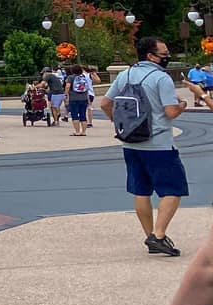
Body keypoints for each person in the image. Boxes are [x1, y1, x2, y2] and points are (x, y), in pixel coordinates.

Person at [98, 36, 188, 256]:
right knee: (173, 189)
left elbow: (104, 103)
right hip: (159, 143)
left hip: (131, 143)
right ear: (151, 56)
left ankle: (150, 234)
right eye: (164, 53)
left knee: (141, 190)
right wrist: (182, 104)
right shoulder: (161, 78)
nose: (167, 57)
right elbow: (170, 112)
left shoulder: (125, 74)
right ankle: (157, 235)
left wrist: (119, 124)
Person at [65, 64, 93, 137]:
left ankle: (77, 131)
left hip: (74, 98)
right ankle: (83, 132)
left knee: (74, 115)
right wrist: (88, 99)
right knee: (83, 115)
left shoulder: (70, 77)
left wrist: (66, 95)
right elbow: (86, 88)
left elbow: (68, 87)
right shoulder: (84, 77)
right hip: (84, 98)